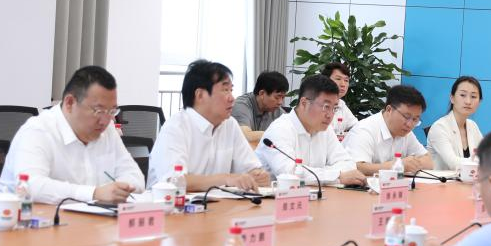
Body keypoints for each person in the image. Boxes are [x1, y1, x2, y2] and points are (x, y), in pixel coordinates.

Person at [0, 65, 144, 204]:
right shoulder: (38, 130)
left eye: (112, 111)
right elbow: (31, 185)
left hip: (91, 218)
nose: (105, 120)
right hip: (27, 219)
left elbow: (135, 177)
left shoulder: (108, 129)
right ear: (69, 103)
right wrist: (94, 193)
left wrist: (118, 190)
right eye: (99, 111)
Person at [148, 60, 271, 191]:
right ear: (200, 95)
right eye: (225, 90)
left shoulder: (230, 124)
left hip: (219, 202)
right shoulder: (176, 127)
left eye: (231, 90)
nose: (232, 98)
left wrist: (258, 176)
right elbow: (175, 181)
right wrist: (226, 179)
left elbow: (251, 168)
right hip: (169, 202)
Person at [255, 75, 366, 186]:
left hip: (314, 194)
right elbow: (290, 174)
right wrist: (336, 176)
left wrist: (329, 175)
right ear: (304, 103)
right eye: (326, 107)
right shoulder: (280, 129)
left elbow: (348, 164)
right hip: (269, 196)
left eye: (334, 108)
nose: (330, 115)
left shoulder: (325, 129)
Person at [342, 85, 435, 177]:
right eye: (406, 117)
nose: (410, 124)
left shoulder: (406, 132)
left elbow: (428, 161)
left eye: (415, 119)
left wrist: (411, 164)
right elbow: (358, 167)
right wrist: (397, 166)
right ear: (389, 110)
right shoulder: (364, 130)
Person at [426, 76, 484, 171]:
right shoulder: (439, 127)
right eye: (462, 95)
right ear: (452, 98)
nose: (468, 101)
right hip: (442, 180)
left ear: (479, 102)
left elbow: (485, 156)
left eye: (473, 97)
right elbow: (453, 163)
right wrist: (479, 162)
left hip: (467, 179)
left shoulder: (473, 126)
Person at [232, 70, 288, 143]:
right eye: (277, 97)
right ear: (262, 93)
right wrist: (273, 135)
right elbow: (244, 136)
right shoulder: (241, 105)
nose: (280, 102)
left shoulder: (277, 110)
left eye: (283, 98)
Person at [323, 62, 359, 134]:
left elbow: (357, 127)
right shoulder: (315, 104)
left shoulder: (341, 104)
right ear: (325, 80)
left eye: (346, 80)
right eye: (338, 79)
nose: (343, 84)